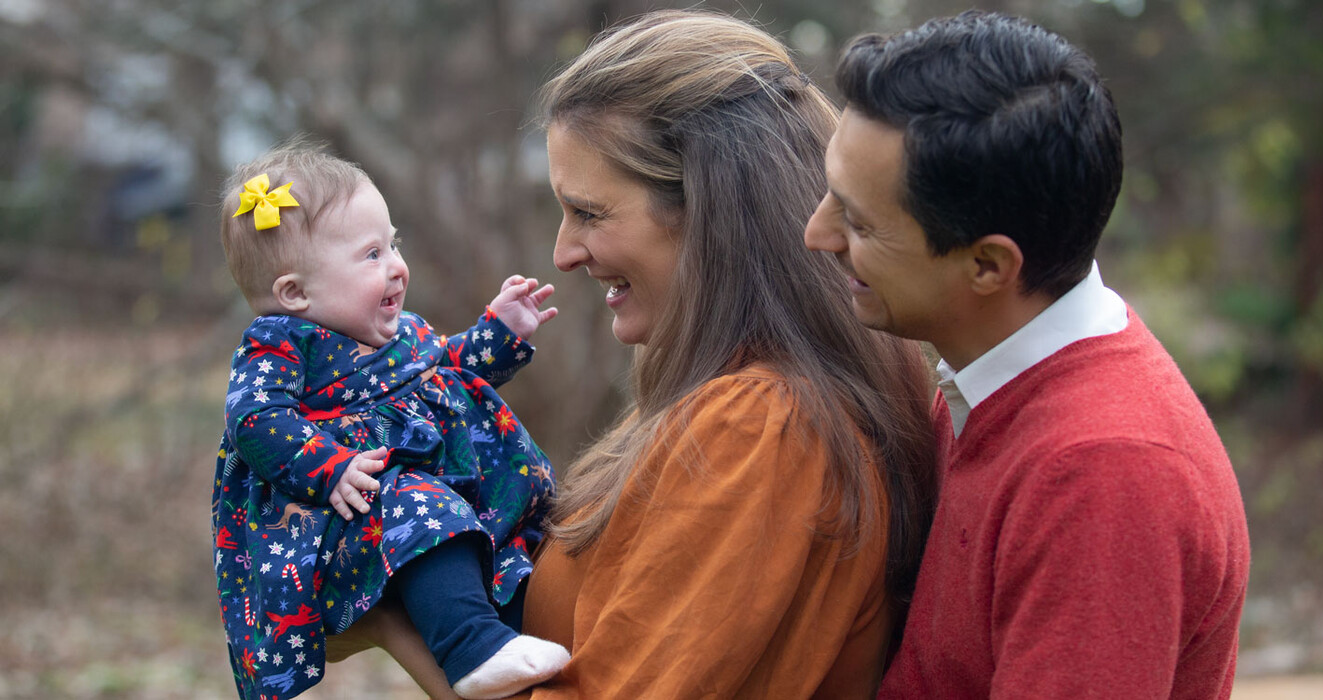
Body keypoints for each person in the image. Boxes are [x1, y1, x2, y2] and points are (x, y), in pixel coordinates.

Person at [803, 10, 1251, 699]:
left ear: (987, 266)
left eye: (859, 222)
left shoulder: (1101, 471)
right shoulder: (988, 383)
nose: (818, 234)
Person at [512, 10, 938, 697]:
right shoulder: (738, 399)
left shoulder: (759, 431)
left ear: (710, 210)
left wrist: (403, 631)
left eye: (589, 212)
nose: (563, 254)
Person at [212, 142, 569, 700]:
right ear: (295, 293)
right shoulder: (281, 344)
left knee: (491, 524)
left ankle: (518, 632)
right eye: (371, 254)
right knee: (420, 510)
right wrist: (330, 469)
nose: (398, 266)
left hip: (438, 506)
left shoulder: (400, 333)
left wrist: (500, 335)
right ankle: (472, 648)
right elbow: (255, 419)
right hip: (348, 520)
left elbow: (447, 371)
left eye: (393, 243)